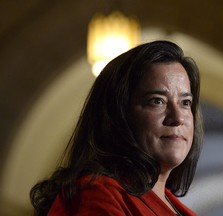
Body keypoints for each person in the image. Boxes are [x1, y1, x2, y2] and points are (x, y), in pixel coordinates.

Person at [30, 40, 203, 216]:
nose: (177, 118)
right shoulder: (98, 195)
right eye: (157, 101)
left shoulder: (181, 209)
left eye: (185, 103)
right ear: (118, 114)